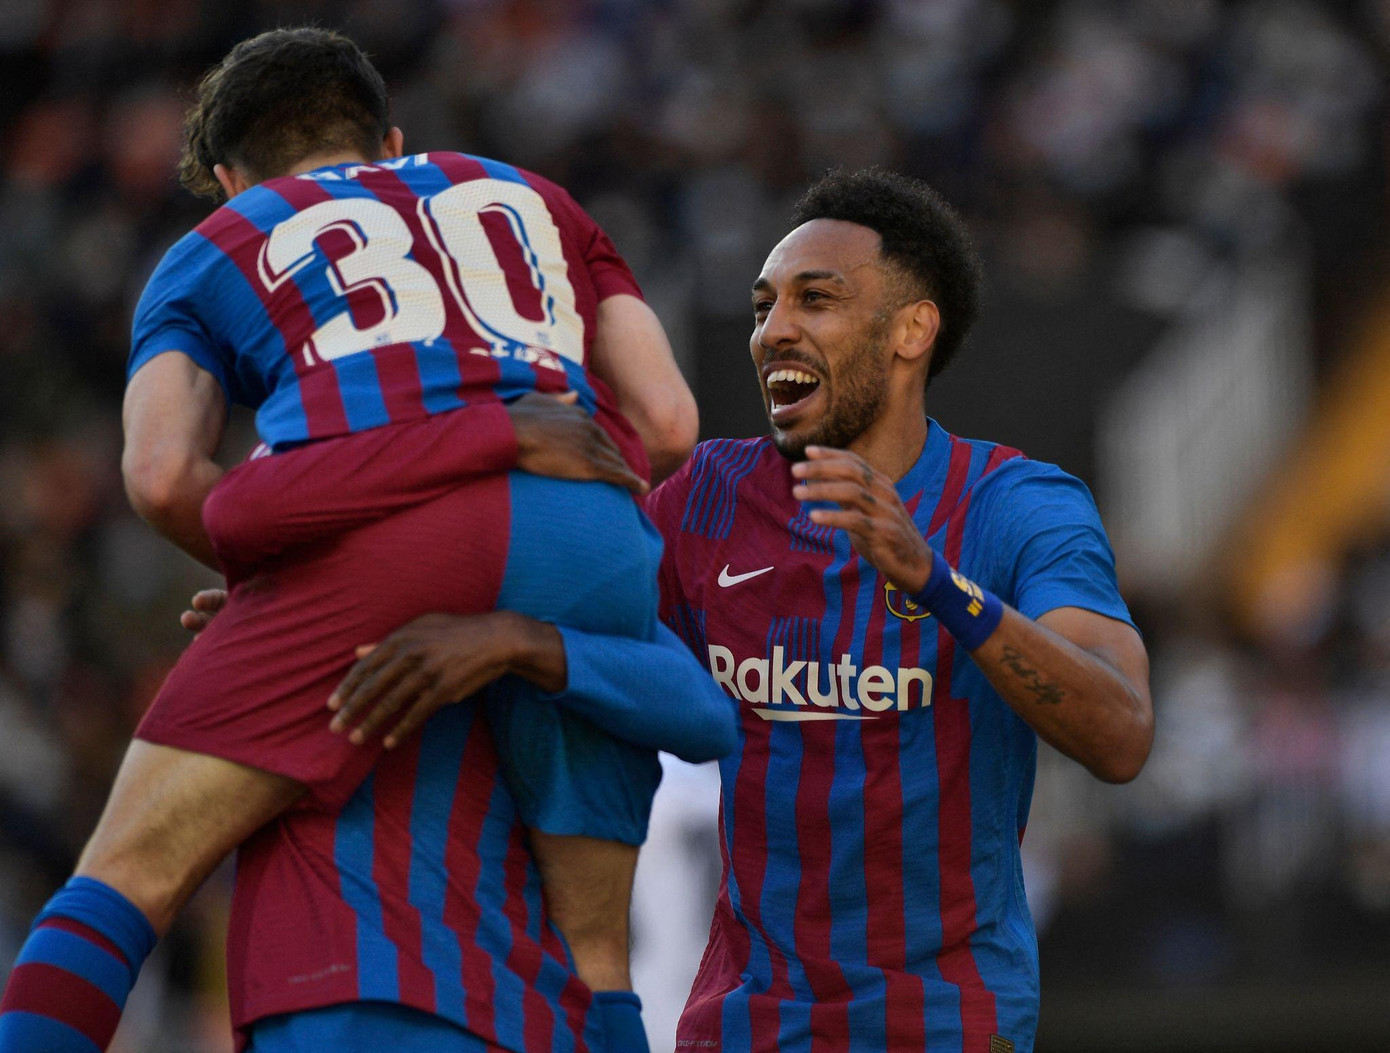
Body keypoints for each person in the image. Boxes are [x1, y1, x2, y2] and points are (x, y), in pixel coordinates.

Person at [0, 26, 737, 1053]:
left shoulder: (214, 243)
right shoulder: (534, 195)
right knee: (597, 958)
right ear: (390, 142)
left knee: (123, 876)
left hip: (382, 526)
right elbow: (668, 421)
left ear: (229, 180)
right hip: (592, 524)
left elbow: (159, 474)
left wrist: (275, 577)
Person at [313, 168, 1154, 1052]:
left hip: (942, 1021)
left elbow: (1121, 732)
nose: (774, 328)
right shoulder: (710, 497)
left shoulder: (1016, 505)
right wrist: (321, 592)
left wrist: (936, 581)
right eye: (763, 306)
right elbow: (531, 608)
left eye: (815, 299)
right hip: (744, 1020)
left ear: (912, 330)